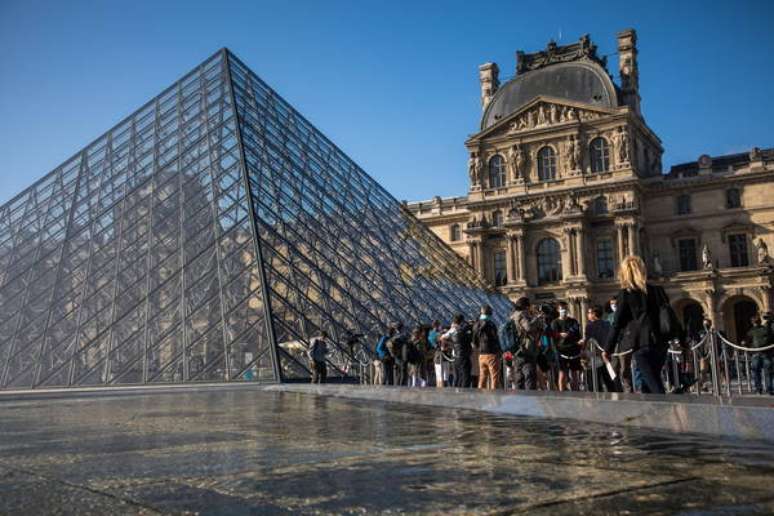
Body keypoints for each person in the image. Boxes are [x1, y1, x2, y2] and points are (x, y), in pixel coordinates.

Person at [604, 256, 671, 394]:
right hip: (661, 343)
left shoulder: (626, 294)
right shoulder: (658, 290)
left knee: (656, 387)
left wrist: (608, 348)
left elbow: (617, 324)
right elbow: (670, 316)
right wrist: (682, 340)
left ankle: (670, 411)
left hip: (642, 344)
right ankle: (650, 414)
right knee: (649, 385)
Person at [582, 305, 617, 392]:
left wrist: (583, 351)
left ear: (594, 314)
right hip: (606, 353)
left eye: (589, 313)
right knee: (609, 379)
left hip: (594, 355)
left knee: (594, 381)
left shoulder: (589, 326)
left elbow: (588, 340)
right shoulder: (607, 324)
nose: (588, 315)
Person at [510, 297, 542, 390]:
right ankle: (530, 398)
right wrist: (536, 319)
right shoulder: (522, 315)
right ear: (526, 306)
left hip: (516, 349)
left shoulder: (512, 315)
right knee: (529, 375)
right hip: (526, 348)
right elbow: (528, 328)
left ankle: (519, 397)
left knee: (519, 375)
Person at [551, 301, 582, 391]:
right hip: (561, 351)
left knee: (574, 374)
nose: (564, 310)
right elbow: (553, 337)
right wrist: (559, 335)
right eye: (561, 309)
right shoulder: (555, 323)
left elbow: (578, 335)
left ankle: (576, 391)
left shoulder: (573, 321)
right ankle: (562, 392)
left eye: (565, 308)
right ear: (558, 310)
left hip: (573, 350)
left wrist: (579, 343)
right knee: (562, 373)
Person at [606, 296, 634, 393]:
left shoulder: (625, 315)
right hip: (613, 345)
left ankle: (628, 390)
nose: (613, 305)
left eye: (615, 303)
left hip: (623, 344)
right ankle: (617, 390)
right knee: (614, 368)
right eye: (611, 304)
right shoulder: (609, 317)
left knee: (624, 369)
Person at [473, 305, 501, 390]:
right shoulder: (491, 324)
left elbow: (474, 341)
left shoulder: (476, 324)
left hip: (481, 354)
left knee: (482, 376)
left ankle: (481, 396)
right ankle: (494, 398)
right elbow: (495, 338)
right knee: (494, 377)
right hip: (491, 353)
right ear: (490, 313)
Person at [745, 315, 774, 395]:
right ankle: (767, 389)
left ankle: (761, 389)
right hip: (761, 353)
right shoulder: (762, 330)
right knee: (765, 372)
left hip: (760, 353)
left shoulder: (753, 331)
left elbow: (746, 342)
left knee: (761, 372)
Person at [442, 314, 472, 388]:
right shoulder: (463, 330)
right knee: (465, 376)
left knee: (458, 376)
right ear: (461, 321)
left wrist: (451, 344)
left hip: (455, 356)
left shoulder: (452, 330)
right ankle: (464, 392)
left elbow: (442, 337)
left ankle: (458, 393)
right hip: (463, 355)